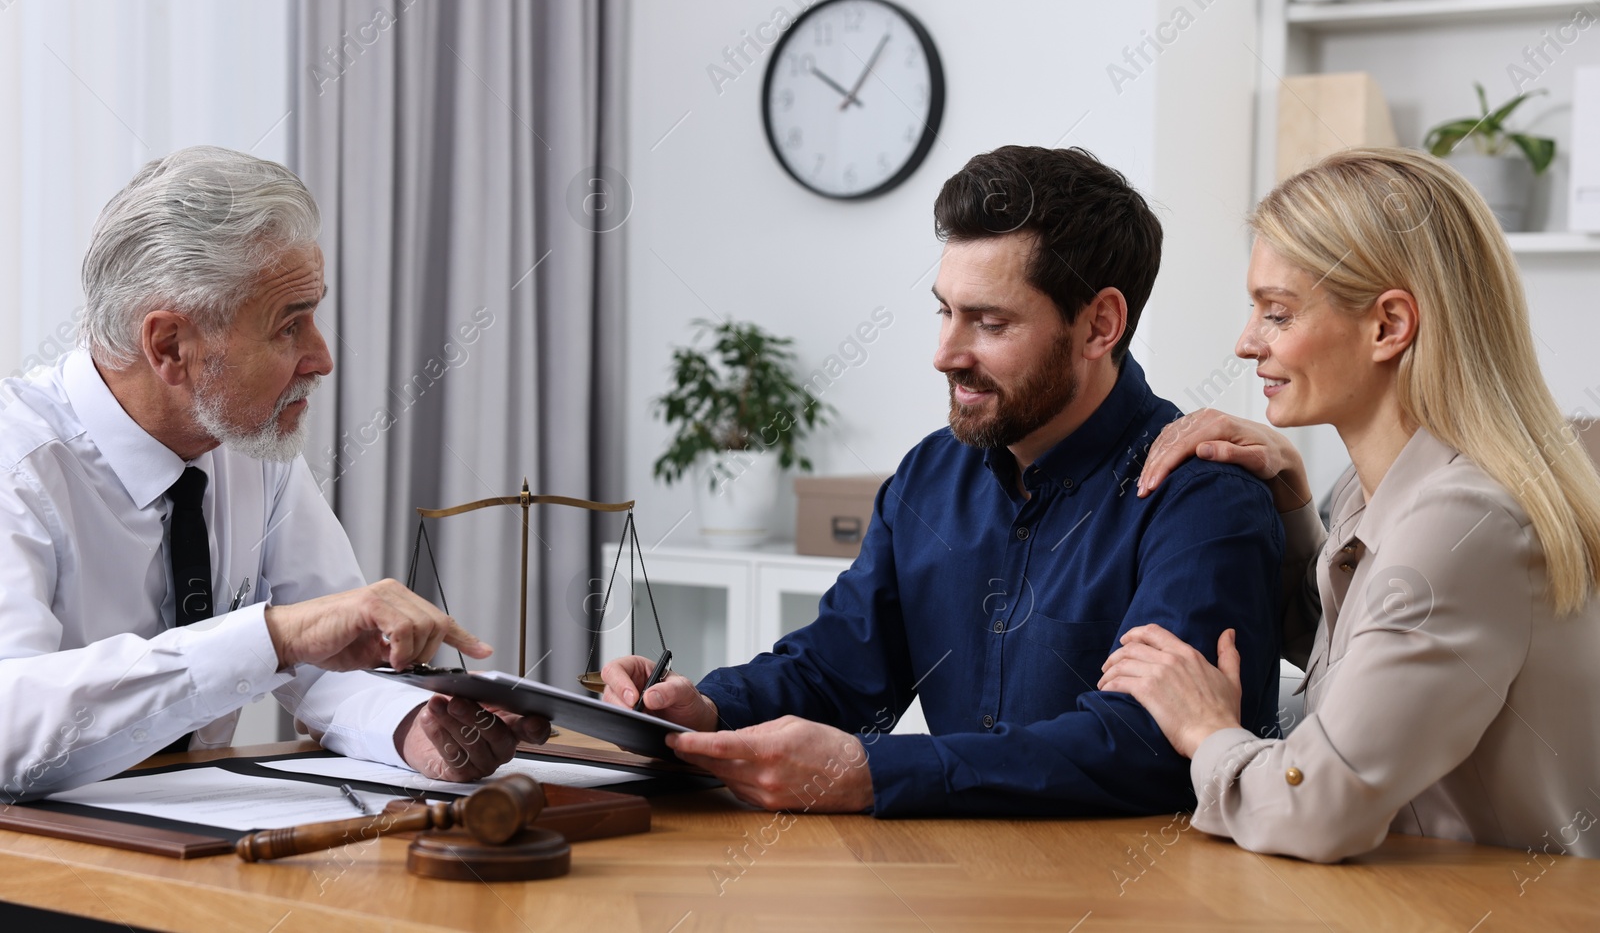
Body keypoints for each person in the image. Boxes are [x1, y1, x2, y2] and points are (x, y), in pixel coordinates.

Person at [602, 145, 1285, 817]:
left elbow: (1146, 746)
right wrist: (710, 708)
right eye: (944, 311)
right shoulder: (929, 477)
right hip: (945, 882)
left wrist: (870, 773)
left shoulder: (1205, 498)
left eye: (991, 322)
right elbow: (842, 668)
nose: (945, 355)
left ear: (1099, 324)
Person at [0, 147, 547, 802]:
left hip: (189, 848)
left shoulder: (248, 443)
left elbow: (329, 663)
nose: (322, 357)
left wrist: (412, 729)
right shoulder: (19, 470)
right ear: (170, 345)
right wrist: (273, 635)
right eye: (290, 326)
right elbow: (10, 724)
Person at [1102, 146, 1600, 862]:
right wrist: (1296, 510)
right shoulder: (1383, 488)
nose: (1248, 343)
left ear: (1389, 326)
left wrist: (1206, 731)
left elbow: (1316, 806)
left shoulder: (1466, 522)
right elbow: (1378, 659)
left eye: (1277, 313)